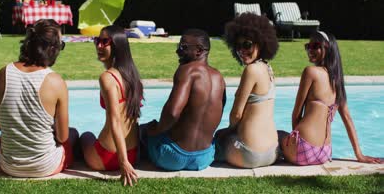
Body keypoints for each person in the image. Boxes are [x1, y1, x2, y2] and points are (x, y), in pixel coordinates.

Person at [280, 31, 382, 165]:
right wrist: (359, 155)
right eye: (308, 46)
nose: (310, 50)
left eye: (315, 46)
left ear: (328, 48)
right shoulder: (337, 82)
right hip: (324, 152)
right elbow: (347, 119)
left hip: (303, 149)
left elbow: (296, 114)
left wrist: (295, 140)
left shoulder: (311, 72)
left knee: (276, 136)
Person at [0, 19, 78, 177]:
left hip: (8, 165)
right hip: (44, 166)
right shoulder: (56, 82)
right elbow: (62, 136)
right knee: (73, 134)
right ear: (53, 49)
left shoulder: (3, 74)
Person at [143, 29, 226, 171]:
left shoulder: (187, 70)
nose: (178, 51)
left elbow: (173, 113)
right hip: (204, 158)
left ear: (199, 50)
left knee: (141, 130)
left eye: (183, 47)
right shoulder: (219, 77)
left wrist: (156, 130)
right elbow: (220, 110)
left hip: (172, 156)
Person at [79, 25, 143, 186]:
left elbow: (115, 121)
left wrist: (123, 163)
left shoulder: (107, 78)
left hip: (106, 157)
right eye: (97, 40)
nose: (99, 46)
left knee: (85, 135)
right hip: (133, 154)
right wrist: (128, 159)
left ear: (117, 45)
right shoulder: (133, 76)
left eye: (104, 41)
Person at [214, 13, 279, 168]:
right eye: (238, 47)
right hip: (272, 152)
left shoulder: (251, 70)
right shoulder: (268, 68)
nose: (242, 50)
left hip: (250, 154)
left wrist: (228, 130)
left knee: (214, 140)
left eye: (247, 45)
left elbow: (236, 114)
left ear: (261, 43)